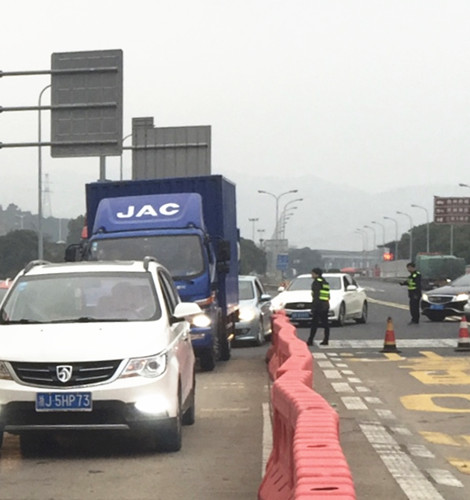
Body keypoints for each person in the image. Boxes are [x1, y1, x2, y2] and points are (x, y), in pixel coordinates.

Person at [307, 268, 331, 346]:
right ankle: (326, 340)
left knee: (314, 324)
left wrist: (313, 307)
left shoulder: (316, 283)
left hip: (318, 306)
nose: (311, 275)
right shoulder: (325, 282)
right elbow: (328, 295)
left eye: (312, 274)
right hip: (325, 305)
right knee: (325, 324)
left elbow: (316, 296)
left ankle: (310, 340)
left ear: (317, 274)